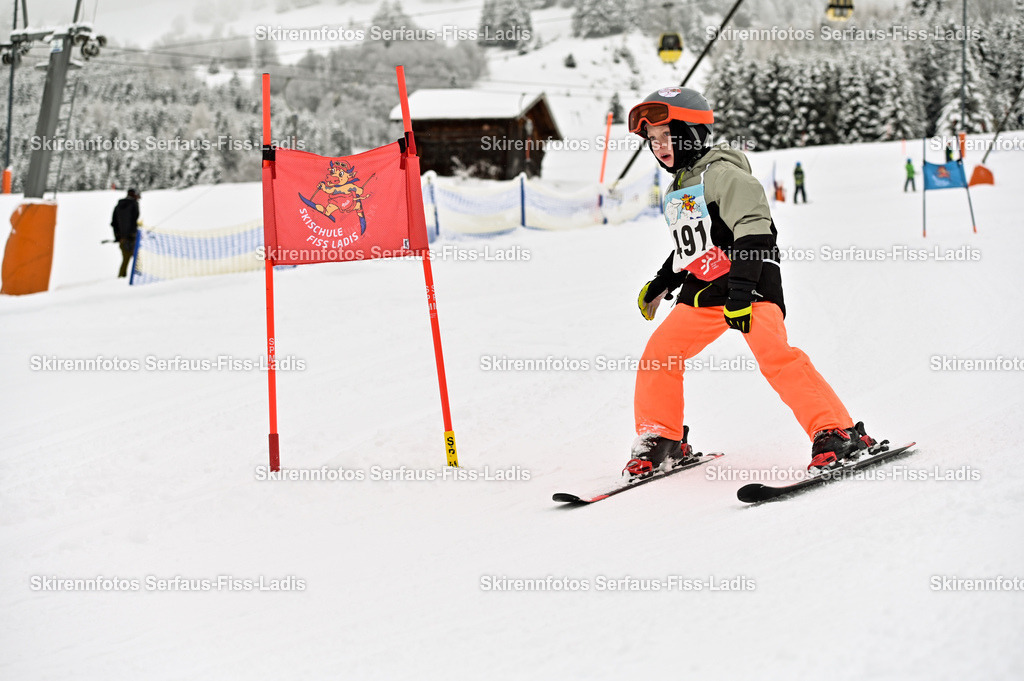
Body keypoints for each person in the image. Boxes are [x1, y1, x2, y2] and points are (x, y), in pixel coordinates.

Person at [625, 86, 875, 478]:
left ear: (690, 133)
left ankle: (836, 432)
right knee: (660, 354)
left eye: (665, 137)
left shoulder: (726, 176)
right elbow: (693, 243)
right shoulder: (680, 185)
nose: (658, 147)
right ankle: (663, 437)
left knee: (776, 357)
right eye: (652, 141)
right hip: (704, 292)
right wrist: (661, 281)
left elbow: (755, 236)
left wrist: (741, 292)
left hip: (751, 285)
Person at [111, 188, 141, 278]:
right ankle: (139, 277)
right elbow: (133, 220)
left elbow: (114, 223)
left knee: (126, 259)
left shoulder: (118, 206)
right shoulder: (134, 205)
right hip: (132, 237)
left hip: (122, 239)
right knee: (137, 258)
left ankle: (121, 276)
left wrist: (118, 236)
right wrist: (133, 233)